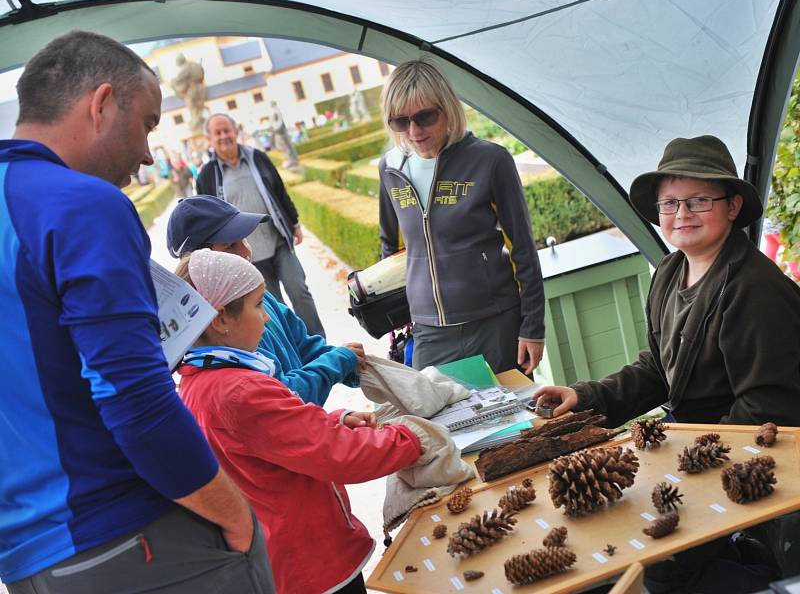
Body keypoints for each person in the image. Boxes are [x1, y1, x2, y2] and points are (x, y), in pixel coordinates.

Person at [0, 31, 274, 593]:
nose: (149, 153)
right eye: (148, 123)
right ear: (101, 105)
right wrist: (235, 514)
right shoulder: (81, 204)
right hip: (127, 531)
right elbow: (134, 397)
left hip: (30, 557)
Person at [534, 135, 800, 593]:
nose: (681, 215)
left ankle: (759, 569)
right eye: (670, 203)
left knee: (664, 569)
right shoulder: (670, 273)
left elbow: (768, 409)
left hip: (743, 465)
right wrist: (587, 396)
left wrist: (684, 468)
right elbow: (660, 370)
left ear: (733, 207)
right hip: (695, 451)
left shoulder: (754, 290)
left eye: (699, 200)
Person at [176, 249, 425, 594]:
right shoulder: (239, 390)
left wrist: (339, 418)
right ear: (220, 319)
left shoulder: (199, 381)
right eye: (258, 305)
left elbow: (278, 437)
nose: (266, 318)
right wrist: (412, 437)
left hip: (280, 560)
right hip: (311, 565)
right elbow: (335, 454)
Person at [378, 58, 546, 374]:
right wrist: (397, 319)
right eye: (400, 122)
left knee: (513, 422)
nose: (414, 131)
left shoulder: (490, 160)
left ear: (447, 108)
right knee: (437, 424)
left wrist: (533, 327)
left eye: (424, 116)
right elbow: (391, 251)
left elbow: (523, 248)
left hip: (495, 323)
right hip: (429, 332)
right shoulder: (390, 169)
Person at [167, 195, 364, 405]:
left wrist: (355, 368)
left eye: (243, 239)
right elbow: (284, 397)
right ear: (200, 262)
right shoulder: (226, 339)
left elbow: (303, 345)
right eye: (230, 246)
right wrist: (338, 361)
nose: (246, 252)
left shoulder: (260, 299)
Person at [197, 113, 326, 337]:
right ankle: (298, 350)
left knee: (300, 291)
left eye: (227, 130)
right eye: (217, 133)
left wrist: (294, 222)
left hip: (277, 242)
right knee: (274, 308)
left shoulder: (257, 157)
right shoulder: (207, 175)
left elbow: (279, 190)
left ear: (236, 131)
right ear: (210, 139)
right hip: (247, 256)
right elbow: (207, 218)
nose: (223, 136)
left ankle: (319, 342)